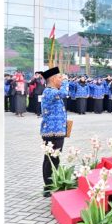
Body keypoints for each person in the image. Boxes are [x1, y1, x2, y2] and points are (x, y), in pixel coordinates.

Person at [39, 67, 69, 197]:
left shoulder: (53, 91)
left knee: (53, 159)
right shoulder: (49, 91)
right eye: (59, 77)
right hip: (52, 132)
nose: (61, 80)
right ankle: (48, 187)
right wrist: (66, 81)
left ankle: (51, 184)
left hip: (57, 130)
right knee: (51, 159)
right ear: (52, 79)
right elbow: (64, 93)